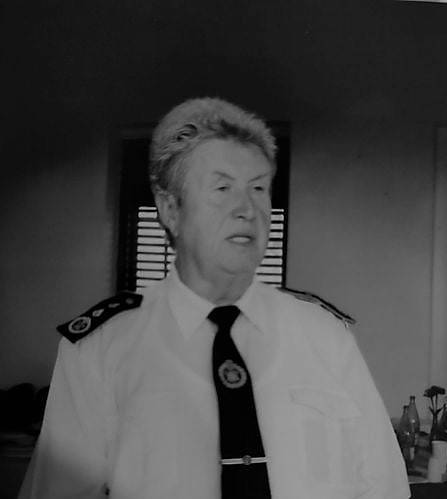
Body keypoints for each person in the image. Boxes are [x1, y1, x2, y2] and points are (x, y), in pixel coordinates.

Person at [19, 97, 410, 499]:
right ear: (170, 209)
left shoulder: (326, 336)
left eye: (258, 188)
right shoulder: (100, 349)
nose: (248, 209)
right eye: (223, 188)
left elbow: (385, 487)